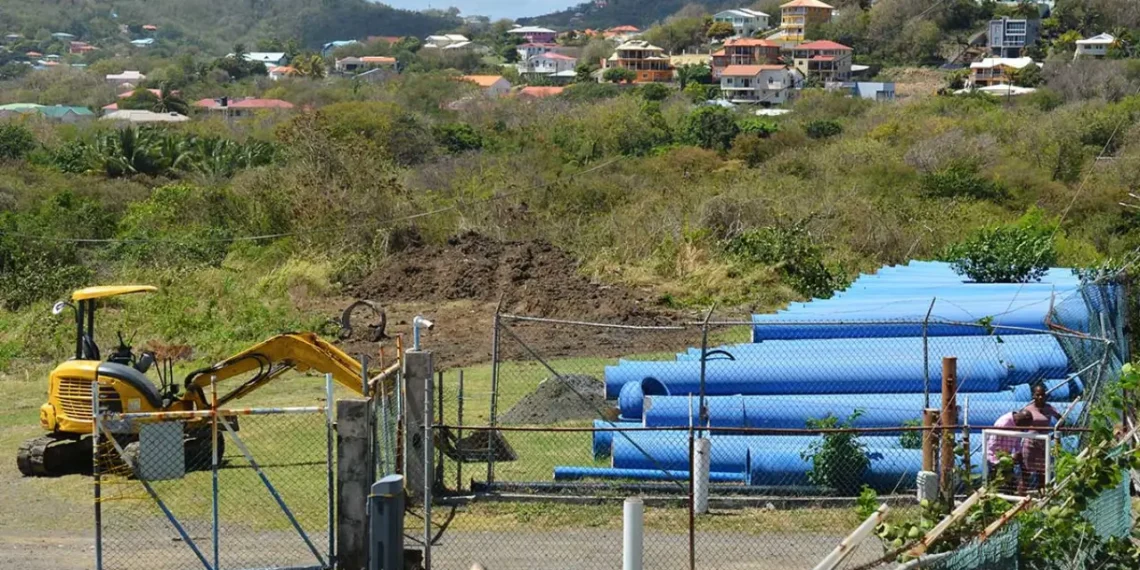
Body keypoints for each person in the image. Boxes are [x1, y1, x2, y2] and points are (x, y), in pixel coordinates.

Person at [1021, 383, 1063, 493]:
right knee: (1026, 473)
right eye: (1038, 395)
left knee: (1042, 473)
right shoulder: (1028, 409)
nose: (1040, 397)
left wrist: (1054, 435)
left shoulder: (1049, 408)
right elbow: (1020, 424)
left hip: (1043, 444)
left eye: (1042, 395)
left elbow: (1061, 420)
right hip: (1030, 444)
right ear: (1033, 396)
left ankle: (1042, 495)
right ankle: (1021, 496)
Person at [986, 410, 1032, 493]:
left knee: (1010, 487)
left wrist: (1018, 453)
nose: (1024, 429)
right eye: (1025, 426)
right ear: (1019, 420)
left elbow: (1017, 442)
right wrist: (996, 463)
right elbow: (992, 445)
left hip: (1007, 459)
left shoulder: (1019, 425)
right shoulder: (1003, 424)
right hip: (995, 459)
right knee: (996, 486)